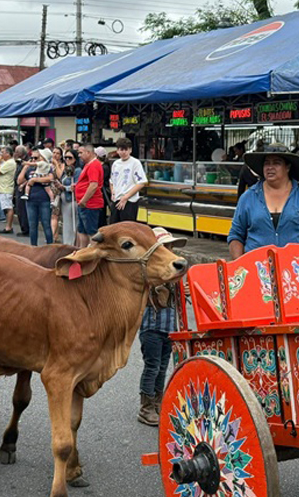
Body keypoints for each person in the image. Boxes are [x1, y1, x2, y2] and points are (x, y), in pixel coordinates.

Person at [228, 144, 299, 259]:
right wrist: (238, 267)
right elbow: (236, 235)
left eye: (276, 163)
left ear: (287, 167)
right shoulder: (248, 198)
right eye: (267, 163)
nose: (270, 167)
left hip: (298, 270)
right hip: (256, 269)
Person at [137, 227, 186, 426]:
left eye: (170, 246)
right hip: (152, 328)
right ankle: (146, 407)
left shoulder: (174, 272)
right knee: (152, 366)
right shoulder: (149, 272)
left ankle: (158, 403)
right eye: (166, 246)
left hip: (169, 329)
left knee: (163, 367)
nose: (170, 250)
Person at [17, 147, 55, 245]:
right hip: (31, 200)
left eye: (36, 158)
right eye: (32, 158)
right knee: (32, 225)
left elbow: (50, 178)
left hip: (44, 199)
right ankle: (33, 246)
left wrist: (34, 180)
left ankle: (50, 245)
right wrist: (25, 167)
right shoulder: (30, 168)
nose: (33, 160)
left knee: (46, 224)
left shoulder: (46, 166)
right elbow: (19, 180)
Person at [110, 137, 148, 223]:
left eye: (126, 149)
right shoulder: (115, 163)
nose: (123, 152)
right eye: (121, 149)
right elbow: (111, 181)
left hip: (130, 201)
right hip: (116, 200)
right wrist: (113, 192)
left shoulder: (135, 163)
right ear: (117, 150)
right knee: (114, 226)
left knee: (127, 228)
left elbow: (141, 183)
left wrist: (126, 197)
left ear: (130, 150)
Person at [74, 144, 105, 247]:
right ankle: (82, 252)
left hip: (90, 204)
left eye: (81, 153)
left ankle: (92, 256)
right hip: (85, 204)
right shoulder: (89, 165)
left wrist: (84, 200)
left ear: (88, 152)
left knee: (91, 232)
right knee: (82, 230)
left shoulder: (94, 165)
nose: (79, 155)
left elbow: (93, 185)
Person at [58, 148, 81, 244]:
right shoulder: (65, 170)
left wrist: (64, 187)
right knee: (66, 224)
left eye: (70, 158)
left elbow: (76, 186)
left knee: (72, 224)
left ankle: (71, 244)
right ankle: (67, 243)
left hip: (72, 201)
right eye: (65, 157)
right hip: (64, 201)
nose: (67, 159)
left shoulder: (78, 170)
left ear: (75, 159)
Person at [0, 146, 18, 234]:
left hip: (5, 188)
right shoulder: (6, 162)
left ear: (8, 154)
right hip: (2, 188)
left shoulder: (10, 163)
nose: (1, 154)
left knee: (8, 208)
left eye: (3, 152)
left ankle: (8, 227)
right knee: (5, 208)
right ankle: (8, 226)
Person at [13, 145, 30, 236]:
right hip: (18, 187)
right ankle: (23, 228)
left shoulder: (27, 162)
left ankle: (26, 229)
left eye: (16, 152)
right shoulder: (19, 162)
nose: (15, 154)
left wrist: (23, 184)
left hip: (23, 188)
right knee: (19, 209)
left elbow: (28, 176)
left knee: (23, 210)